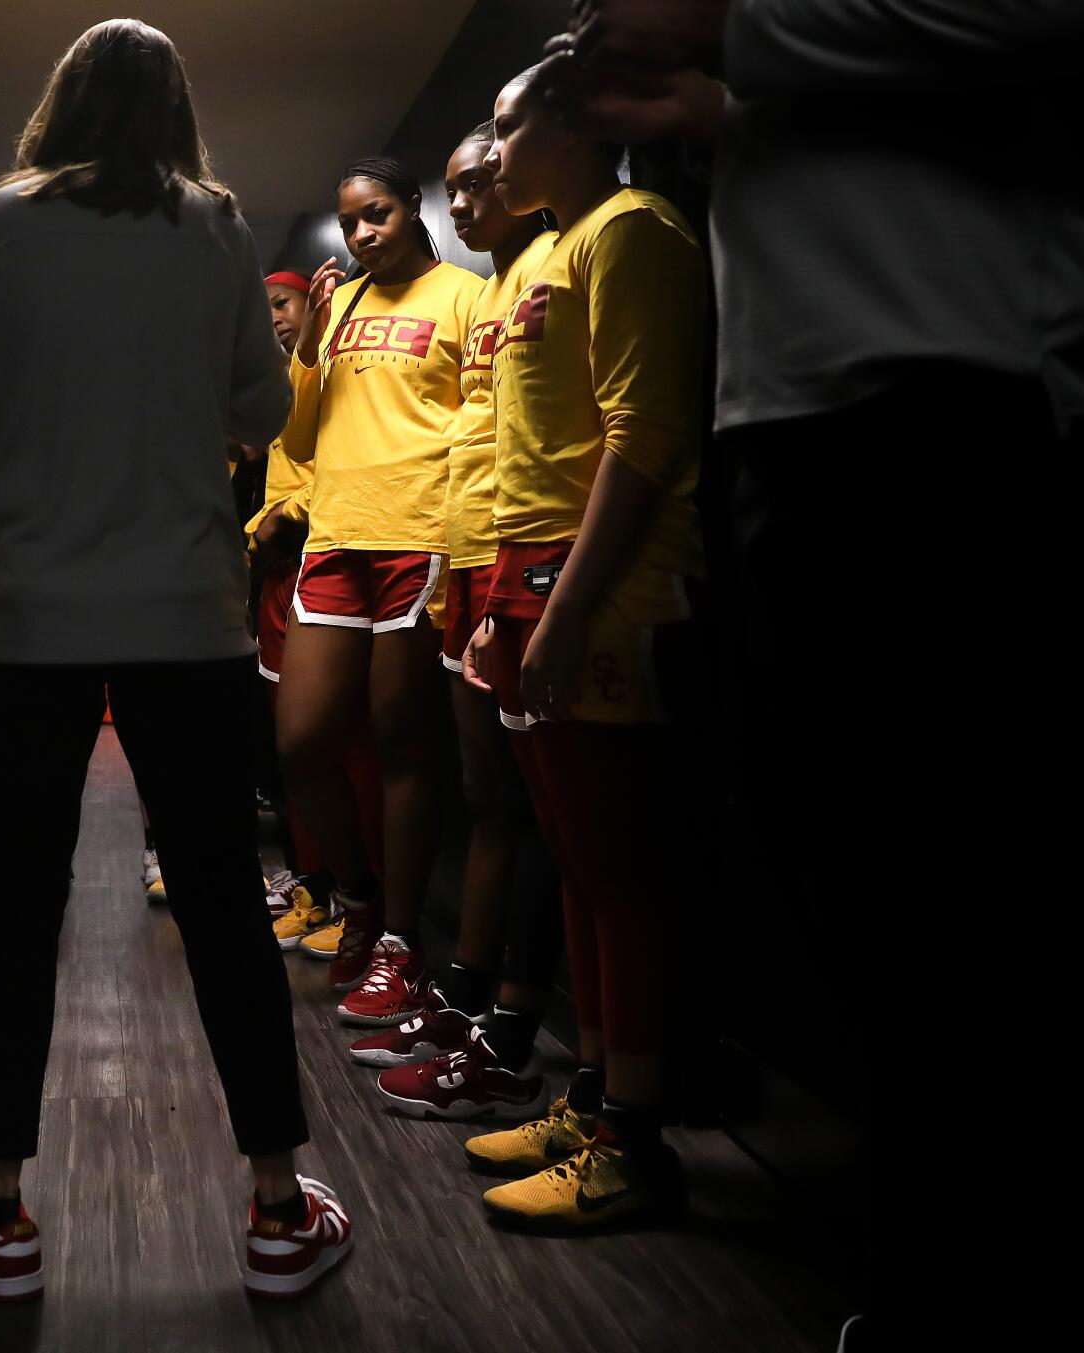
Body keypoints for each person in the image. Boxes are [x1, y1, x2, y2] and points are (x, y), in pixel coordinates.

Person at [0, 18, 350, 1300]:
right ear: (174, 110)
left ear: (62, 104)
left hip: (29, 622)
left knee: (17, 913)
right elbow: (262, 408)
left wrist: (8, 405)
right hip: (184, 621)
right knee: (216, 904)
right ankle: (271, 1205)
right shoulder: (211, 225)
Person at [455, 64, 706, 1228]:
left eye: (508, 125)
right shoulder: (536, 256)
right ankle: (594, 1096)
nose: (495, 150)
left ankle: (634, 1144)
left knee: (620, 868)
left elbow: (643, 431)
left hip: (596, 585)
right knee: (573, 856)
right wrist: (495, 604)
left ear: (574, 121)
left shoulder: (631, 228)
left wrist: (558, 612)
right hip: (522, 571)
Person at [354, 122, 566, 1119]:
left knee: (539, 807)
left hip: (535, 560)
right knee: (487, 793)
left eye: (483, 181)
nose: (469, 203)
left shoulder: (570, 265)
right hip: (473, 558)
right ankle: (471, 994)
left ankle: (511, 1025)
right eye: (459, 190)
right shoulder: (489, 296)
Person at [273, 157, 484, 1024]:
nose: (362, 233)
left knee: (403, 744)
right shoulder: (344, 304)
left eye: (378, 213)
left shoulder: (465, 295)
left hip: (419, 532)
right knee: (302, 740)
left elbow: (479, 416)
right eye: (351, 221)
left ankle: (400, 939)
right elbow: (301, 430)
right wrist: (312, 338)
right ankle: (357, 897)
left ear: (411, 211)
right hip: (337, 531)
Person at [245, 270, 385, 956]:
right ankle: (315, 883)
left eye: (283, 303)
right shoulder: (285, 383)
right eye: (264, 306)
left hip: (324, 556)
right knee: (291, 738)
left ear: (315, 303)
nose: (274, 317)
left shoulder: (338, 367)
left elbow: (324, 469)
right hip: (279, 569)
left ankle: (357, 896)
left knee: (337, 738)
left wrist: (280, 519)